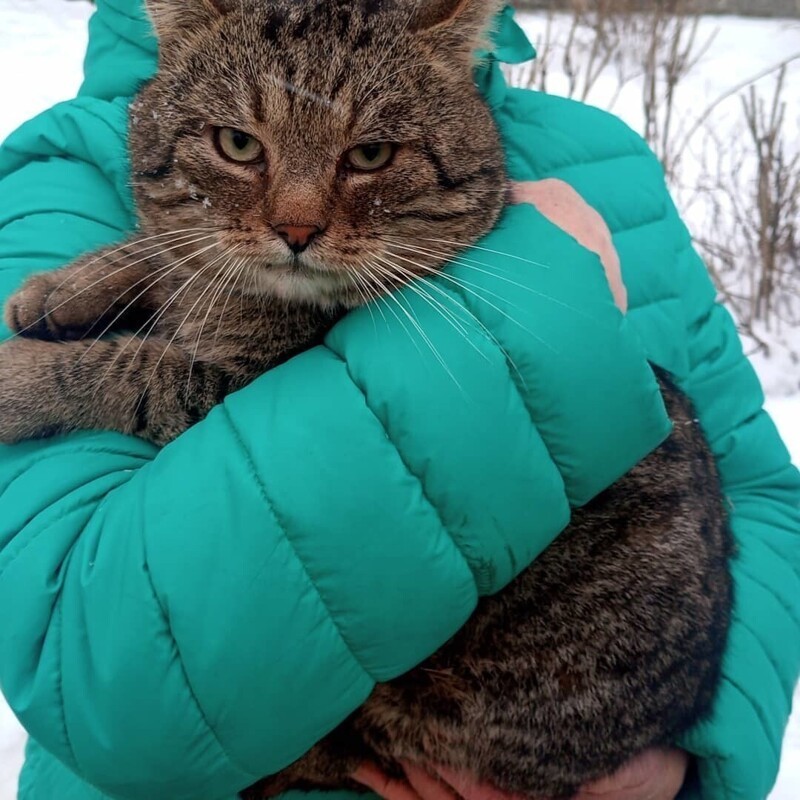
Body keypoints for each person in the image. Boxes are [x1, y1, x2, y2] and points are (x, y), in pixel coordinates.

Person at [0, 3, 797, 800]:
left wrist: (691, 760)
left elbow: (765, 492)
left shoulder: (608, 154)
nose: (297, 220)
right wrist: (138, 269)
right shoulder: (62, 169)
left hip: (512, 687)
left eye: (371, 153)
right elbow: (95, 666)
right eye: (242, 147)